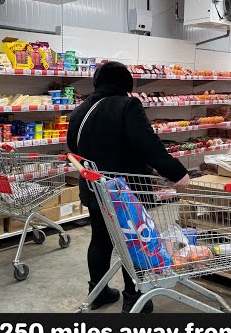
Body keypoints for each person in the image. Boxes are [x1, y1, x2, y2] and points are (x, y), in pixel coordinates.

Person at [67, 61, 190, 313]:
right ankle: (134, 299)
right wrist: (177, 173)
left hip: (95, 188)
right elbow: (148, 144)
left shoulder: (80, 111)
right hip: (127, 191)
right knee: (134, 240)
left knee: (101, 239)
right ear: (126, 83)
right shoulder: (127, 106)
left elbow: (73, 147)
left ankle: (98, 292)